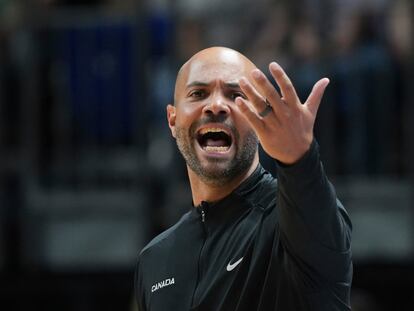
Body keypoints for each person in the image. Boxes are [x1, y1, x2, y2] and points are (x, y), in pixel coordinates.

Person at [135, 46, 352, 310]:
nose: (215, 105)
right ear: (172, 119)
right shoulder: (154, 259)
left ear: (260, 117)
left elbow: (317, 217)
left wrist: (300, 158)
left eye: (235, 95)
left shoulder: (290, 222)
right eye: (198, 93)